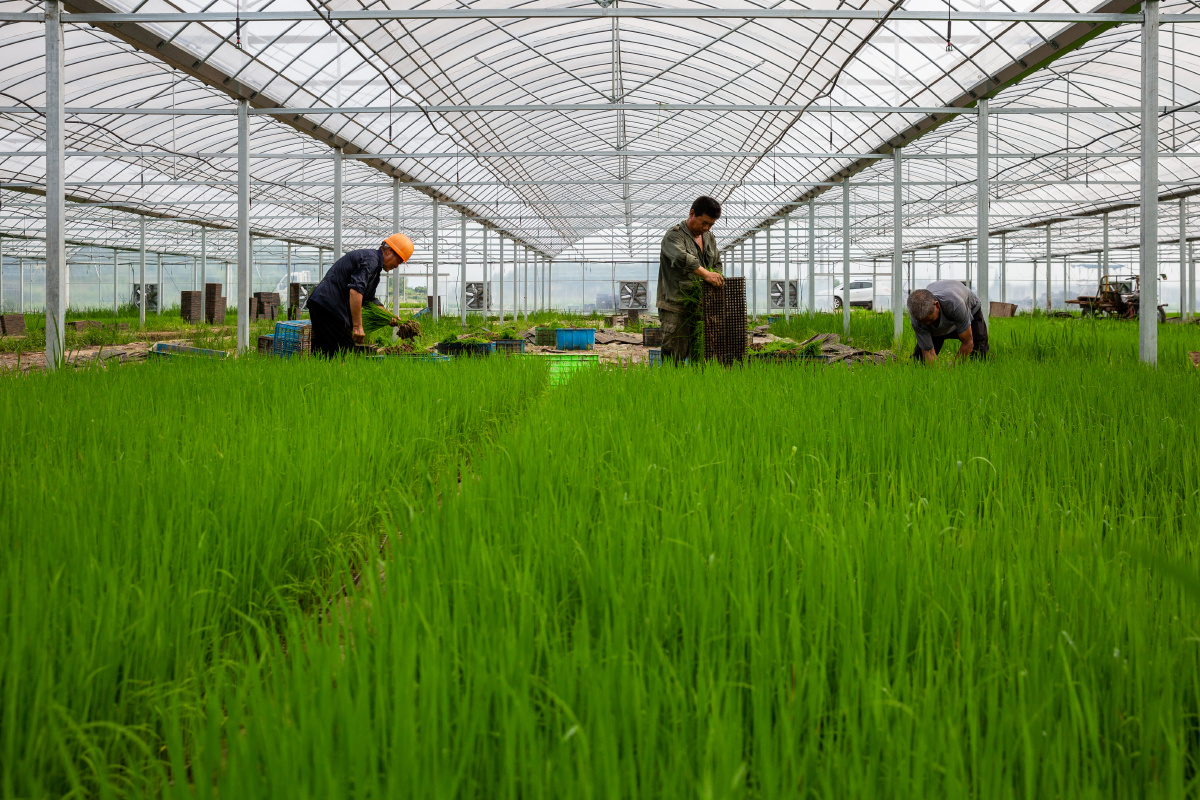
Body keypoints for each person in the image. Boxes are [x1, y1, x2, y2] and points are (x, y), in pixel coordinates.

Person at [307, 234, 414, 358]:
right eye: (398, 261)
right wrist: (357, 326)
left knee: (323, 352)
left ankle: (321, 373)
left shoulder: (374, 266)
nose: (396, 266)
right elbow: (356, 290)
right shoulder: (371, 260)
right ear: (389, 251)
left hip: (322, 304)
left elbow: (369, 300)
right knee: (344, 352)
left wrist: (388, 316)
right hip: (330, 307)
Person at [657, 196, 726, 362]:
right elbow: (682, 258)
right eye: (704, 223)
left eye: (711, 224)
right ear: (692, 213)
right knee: (674, 358)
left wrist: (715, 276)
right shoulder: (674, 236)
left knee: (702, 357)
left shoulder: (709, 237)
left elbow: (716, 264)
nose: (706, 228)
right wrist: (706, 275)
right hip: (676, 307)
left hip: (702, 307)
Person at [907, 280, 990, 363]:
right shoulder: (916, 319)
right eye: (923, 321)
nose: (927, 324)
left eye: (929, 319)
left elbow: (967, 342)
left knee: (979, 353)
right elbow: (928, 352)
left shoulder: (955, 304)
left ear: (937, 305)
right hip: (946, 313)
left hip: (969, 310)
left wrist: (953, 371)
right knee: (920, 360)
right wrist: (938, 374)